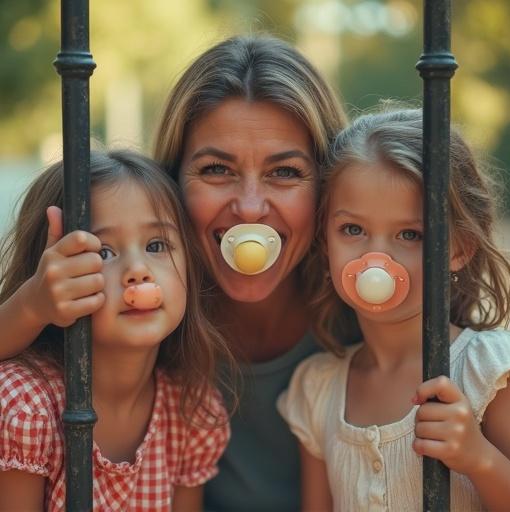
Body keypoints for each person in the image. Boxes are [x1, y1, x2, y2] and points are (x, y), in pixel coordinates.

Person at [0, 35, 354, 511]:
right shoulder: (133, 325)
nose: (249, 208)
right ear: (167, 184)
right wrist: (32, 304)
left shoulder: (370, 320)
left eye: (285, 172)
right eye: (216, 169)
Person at [277, 108, 510, 511]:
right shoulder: (317, 388)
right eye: (353, 230)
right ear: (324, 239)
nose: (376, 258)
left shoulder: (487, 372)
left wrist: (479, 458)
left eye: (410, 234)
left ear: (459, 249)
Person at [0, 150, 233, 511]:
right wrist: (31, 304)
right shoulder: (27, 406)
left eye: (157, 246)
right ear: (50, 278)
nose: (138, 270)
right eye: (104, 252)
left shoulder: (191, 411)